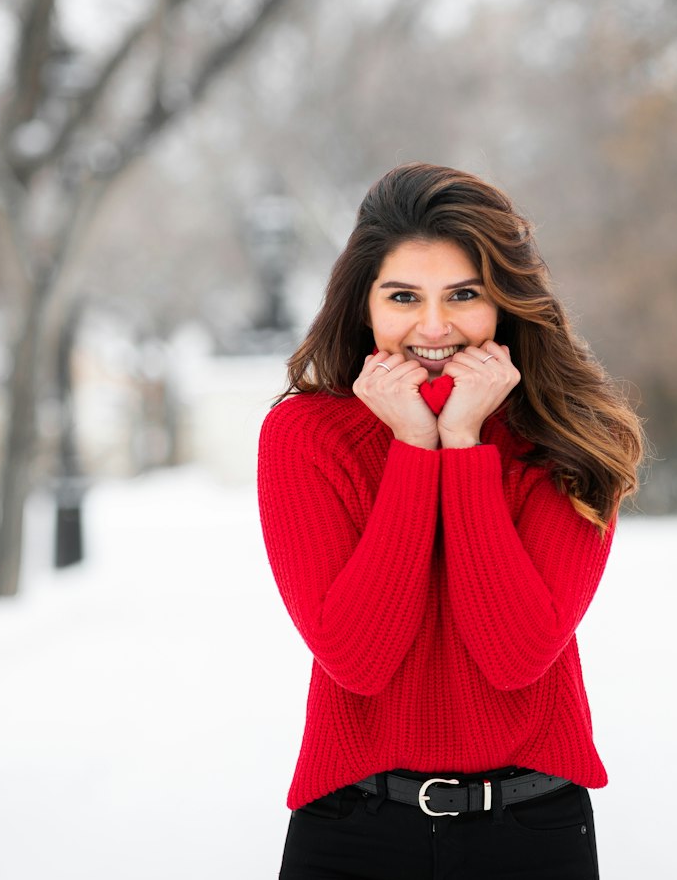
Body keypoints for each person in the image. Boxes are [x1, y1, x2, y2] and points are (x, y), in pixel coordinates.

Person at [258, 162, 644, 879]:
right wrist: (413, 448)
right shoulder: (304, 436)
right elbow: (357, 657)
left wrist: (462, 446)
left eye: (463, 295)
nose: (433, 327)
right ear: (363, 305)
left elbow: (516, 653)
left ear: (504, 302)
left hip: (530, 830)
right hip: (351, 829)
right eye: (404, 295)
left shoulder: (572, 437)